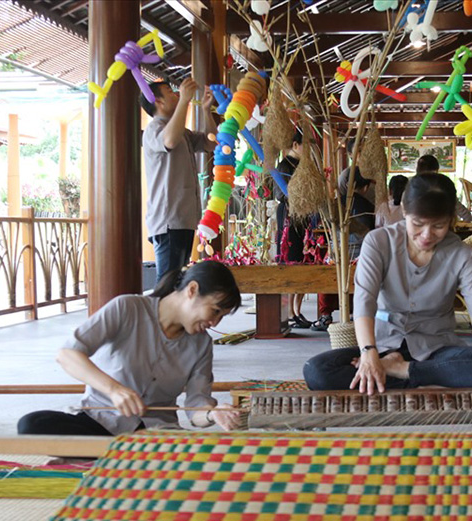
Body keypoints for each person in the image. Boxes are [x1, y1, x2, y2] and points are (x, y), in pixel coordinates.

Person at [303, 173, 472, 402]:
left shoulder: (462, 255)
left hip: (436, 350)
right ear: (404, 211)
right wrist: (368, 352)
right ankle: (412, 374)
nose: (426, 235)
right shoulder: (379, 242)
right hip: (383, 345)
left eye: (438, 226)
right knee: (317, 371)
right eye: (417, 224)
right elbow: (365, 301)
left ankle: (401, 371)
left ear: (451, 220)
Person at [17, 261, 244, 436]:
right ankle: (114, 460)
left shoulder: (201, 344)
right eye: (214, 311)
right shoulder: (127, 308)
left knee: (211, 457)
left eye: (221, 317)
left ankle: (100, 461)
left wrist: (212, 413)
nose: (215, 324)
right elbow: (68, 354)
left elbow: (196, 406)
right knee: (32, 424)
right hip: (101, 423)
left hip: (156, 435)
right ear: (192, 290)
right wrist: (114, 390)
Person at [142, 78, 217, 283]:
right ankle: (160, 316)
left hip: (182, 218)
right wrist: (184, 101)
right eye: (170, 91)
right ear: (158, 101)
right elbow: (169, 140)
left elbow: (211, 142)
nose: (176, 93)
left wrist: (205, 110)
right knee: (167, 282)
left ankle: (170, 315)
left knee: (176, 282)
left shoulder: (181, 131)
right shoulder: (154, 129)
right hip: (168, 220)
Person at [312, 166, 375, 332]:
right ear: (366, 187)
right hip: (359, 255)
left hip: (336, 252)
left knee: (326, 277)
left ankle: (325, 315)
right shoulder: (369, 206)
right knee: (360, 280)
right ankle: (355, 314)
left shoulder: (334, 203)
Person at [273, 131, 311, 329]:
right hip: (288, 215)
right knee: (290, 259)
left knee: (302, 261)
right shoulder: (284, 165)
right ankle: (288, 312)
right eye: (306, 145)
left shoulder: (303, 165)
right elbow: (281, 194)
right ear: (296, 145)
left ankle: (297, 311)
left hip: (302, 215)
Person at [416, 154, 472, 222]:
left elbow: (466, 215)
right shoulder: (444, 186)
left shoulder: (411, 188)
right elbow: (466, 216)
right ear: (436, 171)